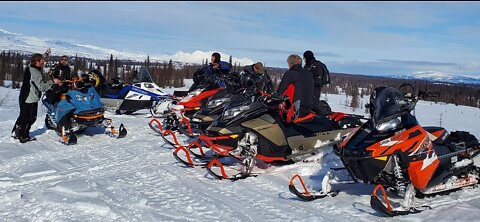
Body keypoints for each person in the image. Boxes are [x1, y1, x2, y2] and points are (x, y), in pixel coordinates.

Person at [12, 49, 61, 143]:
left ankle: (16, 133)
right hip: (30, 98)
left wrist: (46, 54)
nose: (44, 63)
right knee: (30, 118)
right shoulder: (35, 73)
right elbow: (42, 87)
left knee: (23, 116)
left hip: (25, 96)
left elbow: (39, 58)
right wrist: (52, 82)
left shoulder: (31, 66)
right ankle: (23, 136)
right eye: (42, 61)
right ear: (37, 62)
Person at [276, 54, 314, 123]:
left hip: (295, 112)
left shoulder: (290, 73)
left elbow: (280, 91)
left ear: (291, 63)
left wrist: (274, 97)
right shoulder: (308, 74)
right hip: (307, 110)